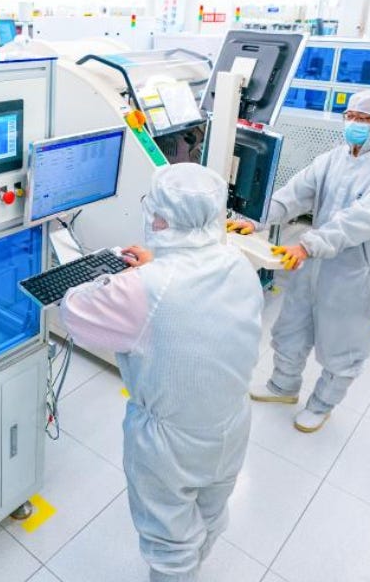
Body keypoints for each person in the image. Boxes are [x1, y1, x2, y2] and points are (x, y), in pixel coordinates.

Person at [61, 164, 263, 582]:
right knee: (210, 510)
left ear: (159, 217)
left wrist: (126, 276)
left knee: (169, 541)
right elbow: (190, 292)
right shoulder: (237, 262)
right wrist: (158, 263)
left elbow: (73, 311)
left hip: (171, 444)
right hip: (230, 422)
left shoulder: (142, 289)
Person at [228, 90, 370, 433]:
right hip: (313, 263)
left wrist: (309, 243)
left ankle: (321, 405)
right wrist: (256, 219)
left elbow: (358, 221)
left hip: (352, 272)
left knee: (341, 345)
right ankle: (283, 387)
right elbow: (295, 193)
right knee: (290, 329)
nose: (355, 125)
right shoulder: (334, 158)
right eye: (351, 116)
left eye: (365, 119)